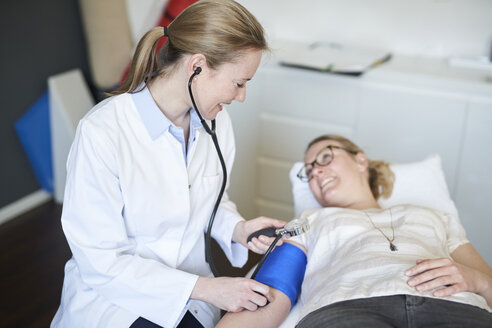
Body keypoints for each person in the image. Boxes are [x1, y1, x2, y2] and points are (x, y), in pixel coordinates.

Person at [50, 1, 287, 327]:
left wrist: (237, 228)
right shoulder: (103, 132)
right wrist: (207, 289)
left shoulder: (216, 123)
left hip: (191, 294)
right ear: (198, 66)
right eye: (239, 82)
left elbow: (208, 198)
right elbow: (100, 259)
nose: (241, 96)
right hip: (117, 300)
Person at [217, 134, 492, 328]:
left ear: (361, 161)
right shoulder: (308, 221)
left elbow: (488, 284)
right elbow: (270, 298)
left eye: (325, 158)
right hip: (347, 311)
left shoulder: (434, 217)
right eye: (309, 171)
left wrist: (478, 281)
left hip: (453, 308)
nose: (316, 173)